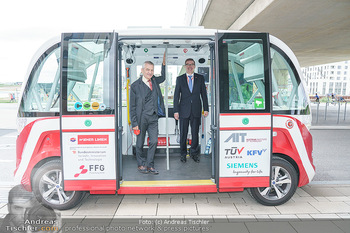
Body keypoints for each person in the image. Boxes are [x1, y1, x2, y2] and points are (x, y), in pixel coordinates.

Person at [129, 56, 166, 175]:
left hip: (153, 118)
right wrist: (134, 123)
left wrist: (163, 64)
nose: (150, 72)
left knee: (154, 141)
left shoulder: (154, 81)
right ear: (142, 70)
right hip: (141, 118)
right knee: (139, 143)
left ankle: (150, 165)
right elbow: (132, 106)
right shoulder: (135, 86)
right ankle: (141, 164)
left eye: (152, 70)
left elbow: (164, 77)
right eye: (147, 70)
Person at [173, 58, 209, 163]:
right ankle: (183, 154)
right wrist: (176, 111)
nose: (190, 66)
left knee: (195, 133)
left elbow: (204, 95)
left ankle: (194, 153)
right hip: (183, 110)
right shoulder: (180, 79)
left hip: (196, 110)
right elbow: (176, 96)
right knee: (183, 134)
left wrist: (206, 108)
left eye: (192, 64)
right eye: (188, 64)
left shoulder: (200, 78)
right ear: (185, 66)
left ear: (194, 66)